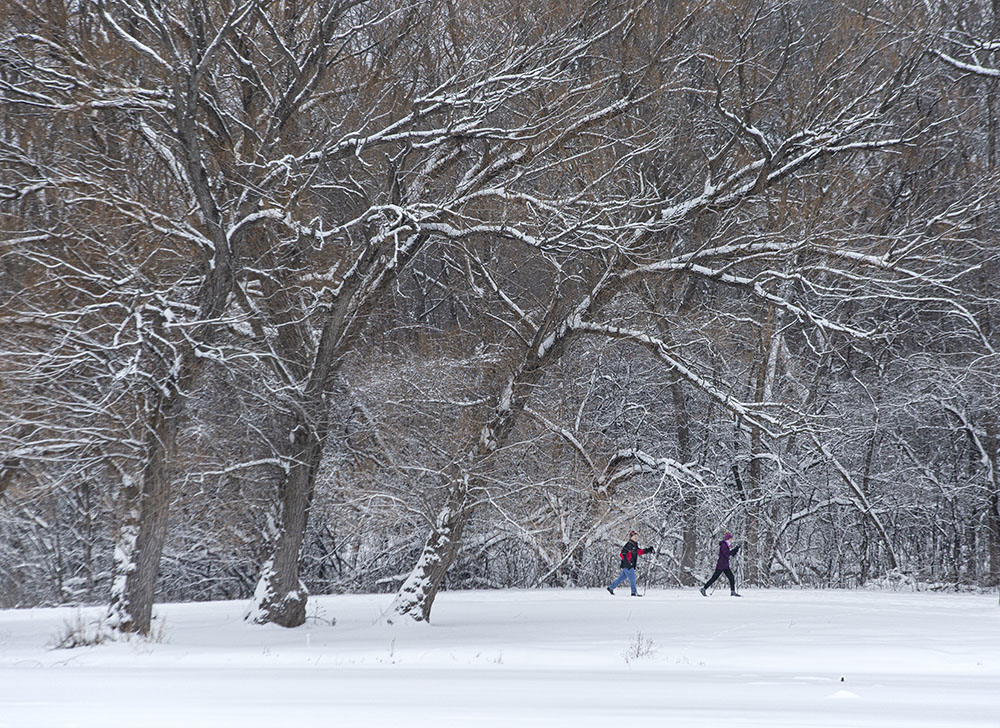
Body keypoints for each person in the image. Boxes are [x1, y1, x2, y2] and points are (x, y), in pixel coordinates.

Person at [607, 530, 652, 597]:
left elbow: (639, 552)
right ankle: (634, 593)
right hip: (628, 565)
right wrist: (629, 561)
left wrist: (648, 550)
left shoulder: (634, 545)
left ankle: (611, 587)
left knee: (621, 578)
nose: (636, 537)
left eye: (636, 536)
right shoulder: (628, 545)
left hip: (628, 565)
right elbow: (622, 554)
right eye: (634, 536)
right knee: (632, 577)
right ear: (631, 537)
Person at [699, 531, 741, 597]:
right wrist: (735, 550)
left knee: (731, 577)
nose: (731, 540)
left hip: (725, 565)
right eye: (730, 538)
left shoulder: (726, 545)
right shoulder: (724, 545)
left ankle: (732, 592)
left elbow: (729, 554)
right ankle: (703, 589)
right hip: (721, 565)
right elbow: (727, 554)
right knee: (715, 578)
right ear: (727, 539)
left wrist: (735, 550)